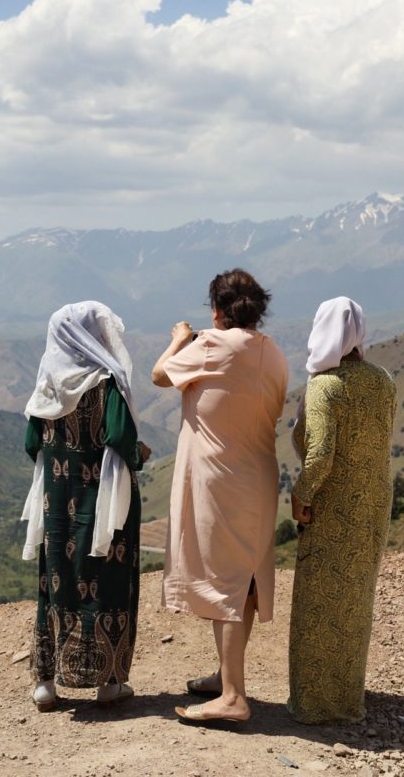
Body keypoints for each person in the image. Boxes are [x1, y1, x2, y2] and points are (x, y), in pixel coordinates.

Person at [151, 268, 289, 725]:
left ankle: (233, 697)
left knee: (225, 579)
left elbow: (159, 376)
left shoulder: (208, 344)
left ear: (217, 310)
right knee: (243, 580)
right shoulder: (275, 355)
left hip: (221, 480)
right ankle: (226, 677)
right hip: (260, 477)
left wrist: (179, 338)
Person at [20, 301, 151, 711]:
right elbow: (118, 436)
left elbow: (31, 443)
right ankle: (108, 683)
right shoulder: (107, 381)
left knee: (55, 579)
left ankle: (46, 682)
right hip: (104, 501)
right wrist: (140, 454)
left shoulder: (48, 384)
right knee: (107, 580)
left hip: (57, 502)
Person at [288, 297, 397, 724]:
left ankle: (316, 704)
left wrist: (301, 497)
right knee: (354, 602)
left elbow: (319, 456)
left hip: (332, 509)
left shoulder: (324, 386)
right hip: (373, 504)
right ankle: (349, 697)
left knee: (319, 605)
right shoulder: (383, 380)